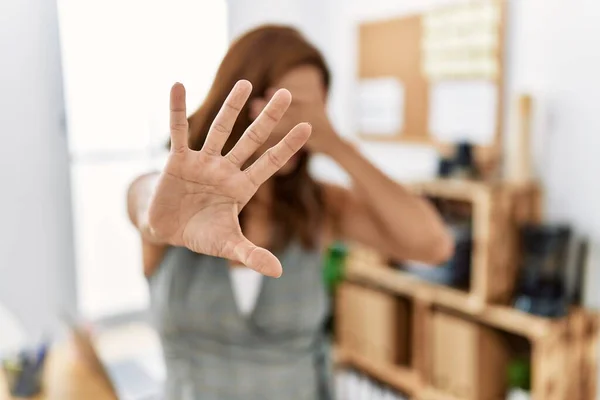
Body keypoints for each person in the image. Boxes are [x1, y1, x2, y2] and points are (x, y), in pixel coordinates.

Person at [127, 25, 452, 400]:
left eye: (314, 112)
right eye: (290, 107)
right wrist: (157, 210)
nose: (301, 126)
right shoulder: (174, 197)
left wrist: (335, 143)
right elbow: (143, 202)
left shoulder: (321, 206)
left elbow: (433, 245)